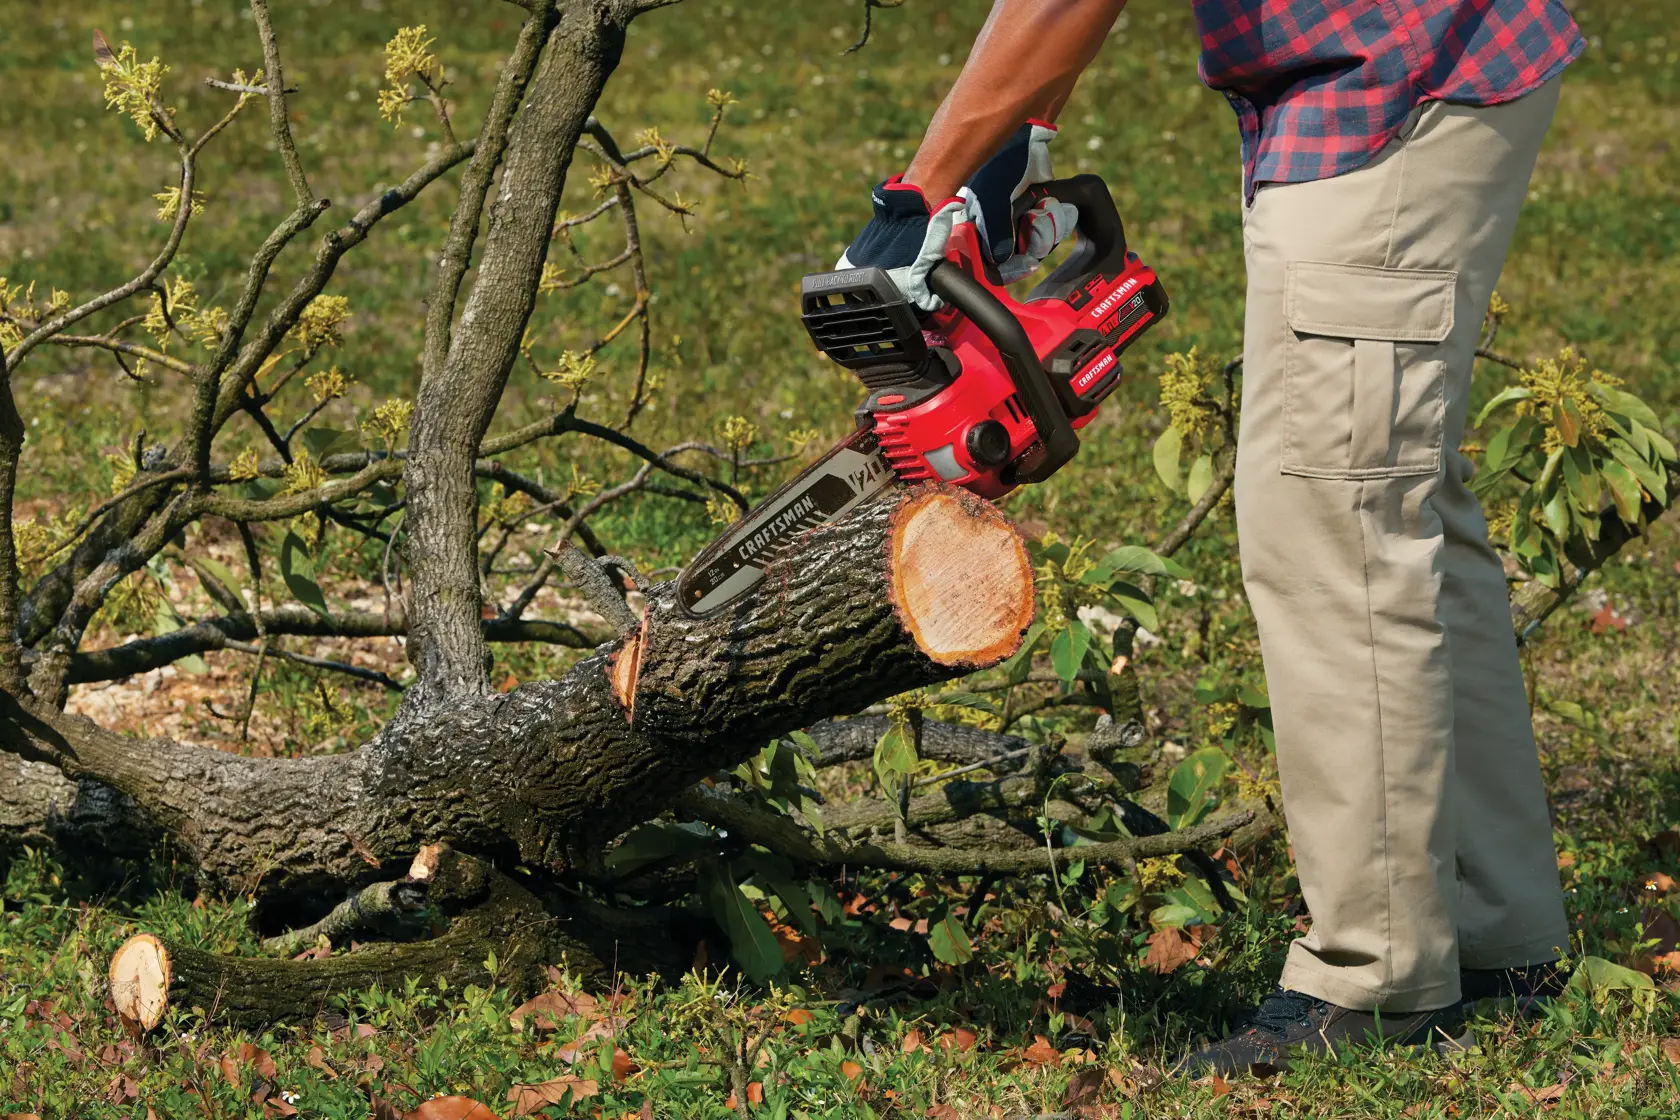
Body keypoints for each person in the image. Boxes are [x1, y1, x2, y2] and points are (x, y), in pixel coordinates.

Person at [838, 0, 1585, 1075]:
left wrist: (922, 193)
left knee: (1333, 518)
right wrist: (1006, 151)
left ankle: (1377, 977)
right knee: (1390, 499)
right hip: (1431, 68)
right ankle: (1496, 931)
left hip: (1387, 91)